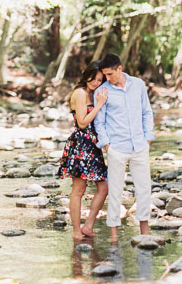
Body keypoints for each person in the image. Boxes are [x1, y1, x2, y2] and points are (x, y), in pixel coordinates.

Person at [93, 53, 155, 243]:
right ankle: (114, 236)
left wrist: (148, 139)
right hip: (117, 148)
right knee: (115, 191)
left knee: (144, 189)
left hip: (139, 145)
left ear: (120, 68)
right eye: (105, 75)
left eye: (110, 74)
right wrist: (107, 145)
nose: (107, 78)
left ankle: (145, 232)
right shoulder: (102, 91)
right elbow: (99, 121)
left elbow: (147, 111)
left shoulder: (138, 85)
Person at [57, 61, 110, 240]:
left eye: (99, 80)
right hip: (80, 144)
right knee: (78, 189)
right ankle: (76, 230)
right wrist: (99, 104)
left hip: (93, 145)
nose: (95, 83)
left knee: (104, 187)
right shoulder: (80, 93)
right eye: (93, 79)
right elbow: (82, 122)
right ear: (86, 75)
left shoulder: (93, 93)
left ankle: (88, 226)